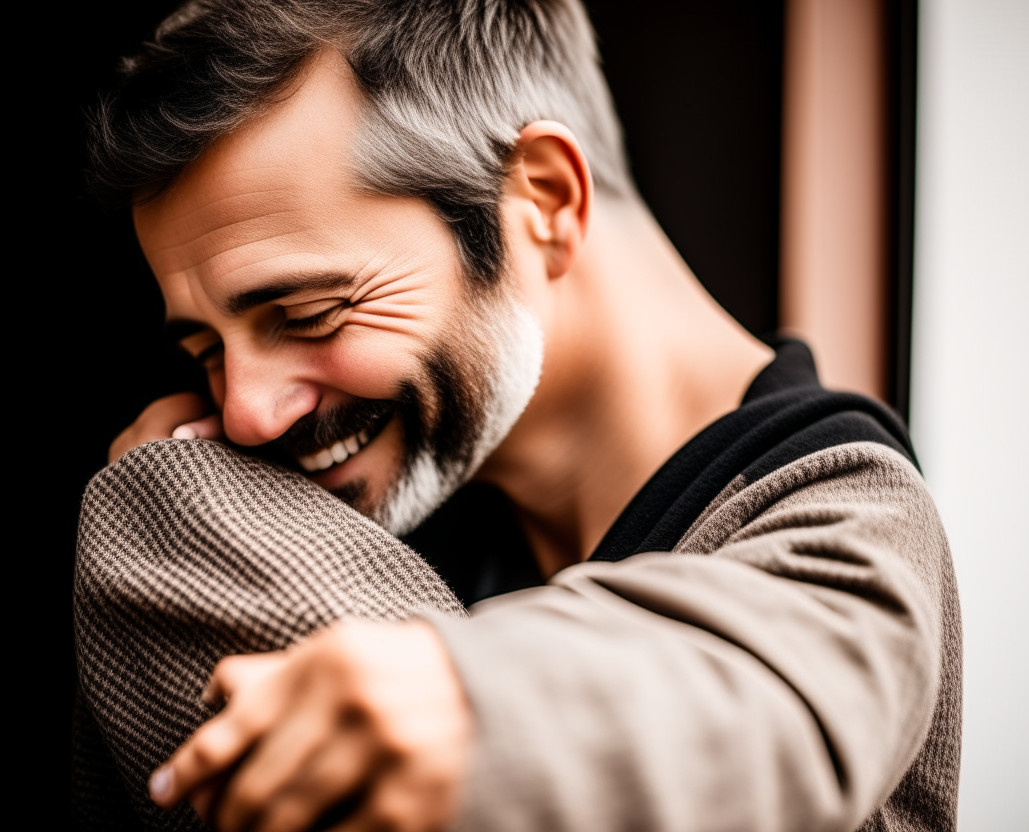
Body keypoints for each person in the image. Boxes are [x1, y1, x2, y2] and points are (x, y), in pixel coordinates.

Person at [84, 1, 961, 830]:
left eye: (311, 314)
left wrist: (472, 707)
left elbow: (789, 692)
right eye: (206, 351)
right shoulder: (417, 484)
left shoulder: (847, 526)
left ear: (543, 200)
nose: (245, 415)